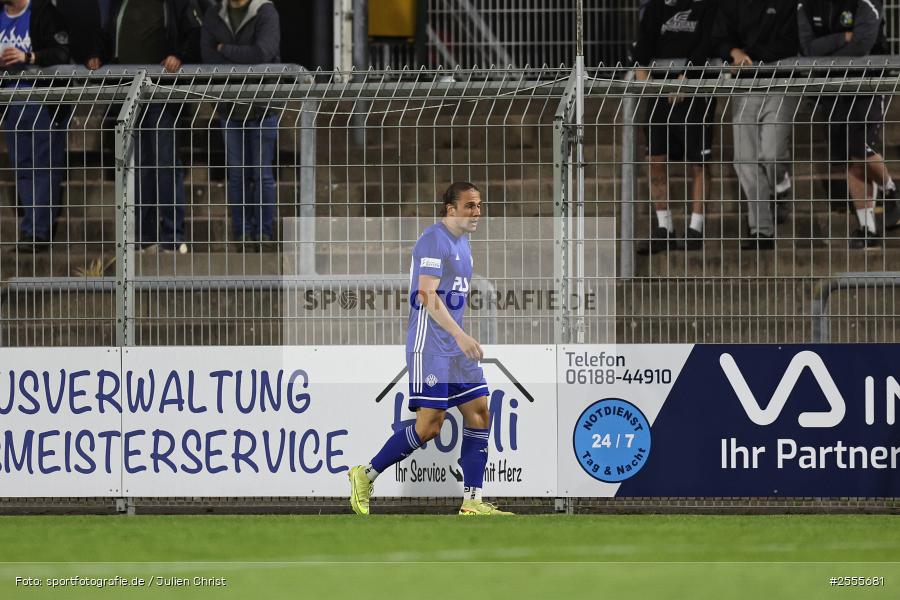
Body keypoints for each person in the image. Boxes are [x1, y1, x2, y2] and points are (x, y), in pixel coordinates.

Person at [348, 182, 512, 516]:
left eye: (479, 205)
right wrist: (460, 336)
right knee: (429, 427)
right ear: (451, 209)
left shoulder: (463, 242)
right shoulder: (433, 239)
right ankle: (365, 475)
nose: (477, 212)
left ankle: (472, 501)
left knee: (480, 412)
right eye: (469, 206)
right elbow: (426, 294)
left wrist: (459, 338)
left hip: (454, 348)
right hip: (431, 346)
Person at [798, 0, 900, 248]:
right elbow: (808, 47)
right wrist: (843, 38)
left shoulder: (866, 2)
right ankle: (868, 228)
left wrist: (825, 57)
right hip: (832, 87)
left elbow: (862, 44)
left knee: (861, 146)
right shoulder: (807, 5)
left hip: (868, 82)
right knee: (849, 158)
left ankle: (891, 190)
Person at [106, 0, 202, 253]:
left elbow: (194, 32)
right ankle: (145, 237)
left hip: (162, 91)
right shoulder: (120, 3)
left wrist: (179, 55)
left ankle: (173, 237)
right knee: (141, 167)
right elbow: (106, 33)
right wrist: (95, 54)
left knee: (165, 163)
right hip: (129, 91)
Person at [711, 0, 800, 250]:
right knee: (744, 159)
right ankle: (761, 229)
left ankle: (780, 184)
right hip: (745, 84)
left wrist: (749, 53)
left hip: (781, 81)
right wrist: (734, 52)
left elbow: (792, 42)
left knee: (771, 154)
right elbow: (718, 35)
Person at [633, 0, 718, 254]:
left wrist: (686, 77)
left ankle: (695, 228)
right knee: (655, 159)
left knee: (699, 162)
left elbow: (708, 40)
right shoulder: (655, 7)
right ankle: (665, 227)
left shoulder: (706, 6)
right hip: (659, 91)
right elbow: (644, 44)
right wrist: (642, 71)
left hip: (696, 89)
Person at [201, 0, 280, 251]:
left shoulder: (265, 11)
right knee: (237, 176)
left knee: (262, 174)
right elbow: (208, 57)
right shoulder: (215, 13)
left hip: (263, 106)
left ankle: (264, 234)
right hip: (229, 106)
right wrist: (240, 53)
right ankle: (242, 234)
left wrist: (225, 48)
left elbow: (262, 54)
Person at [0, 0, 70, 253]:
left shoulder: (44, 12)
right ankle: (30, 229)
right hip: (10, 103)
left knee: (44, 167)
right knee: (22, 167)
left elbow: (62, 52)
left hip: (42, 102)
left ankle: (38, 232)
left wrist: (28, 57)